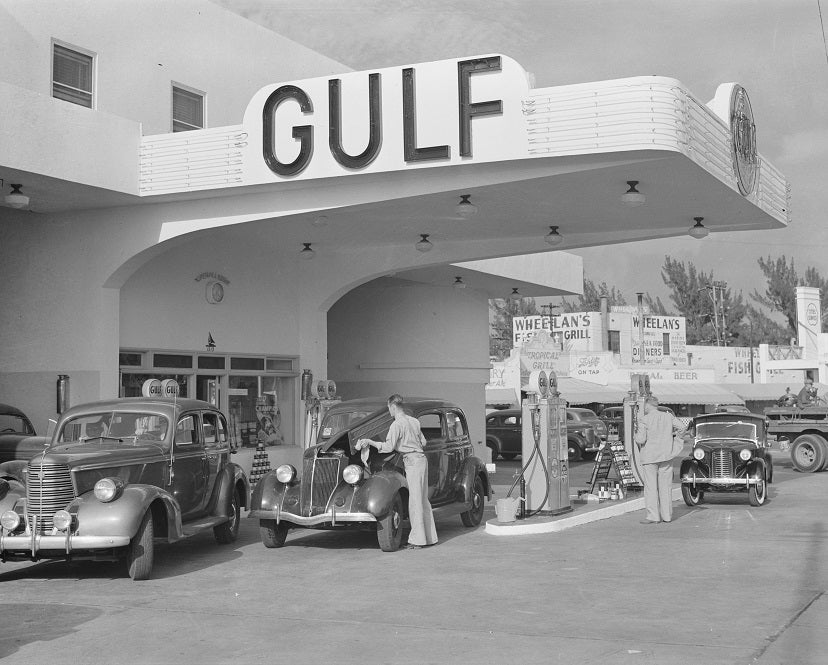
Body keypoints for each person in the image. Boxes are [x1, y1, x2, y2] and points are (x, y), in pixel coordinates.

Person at [356, 394, 438, 549]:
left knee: (414, 501)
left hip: (412, 462)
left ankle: (417, 540)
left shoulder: (396, 425)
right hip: (421, 459)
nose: (389, 413)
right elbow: (424, 442)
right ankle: (430, 537)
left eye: (389, 409)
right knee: (422, 499)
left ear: (393, 406)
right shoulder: (414, 421)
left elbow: (388, 447)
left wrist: (370, 442)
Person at [634, 396, 686, 524]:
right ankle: (667, 516)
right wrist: (676, 441)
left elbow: (641, 440)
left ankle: (653, 516)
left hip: (650, 457)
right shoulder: (668, 416)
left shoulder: (644, 419)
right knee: (666, 486)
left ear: (647, 405)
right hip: (666, 455)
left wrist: (635, 435)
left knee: (651, 487)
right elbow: (682, 428)